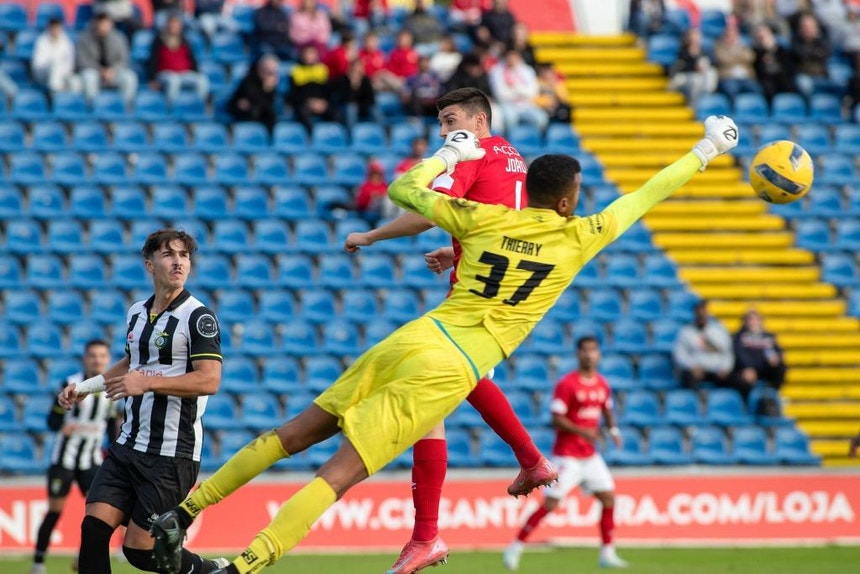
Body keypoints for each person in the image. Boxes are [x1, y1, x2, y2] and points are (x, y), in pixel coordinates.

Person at [148, 115, 740, 574]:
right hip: (451, 366)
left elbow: (405, 188)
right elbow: (646, 195)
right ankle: (244, 566)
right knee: (339, 473)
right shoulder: (582, 234)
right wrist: (706, 149)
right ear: (566, 201)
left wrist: (451, 152)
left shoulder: (482, 218)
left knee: (294, 432)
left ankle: (183, 511)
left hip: (415, 334)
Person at [345, 88, 550, 574]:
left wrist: (371, 235)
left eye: (450, 120)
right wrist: (458, 250)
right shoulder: (512, 156)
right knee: (435, 400)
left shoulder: (473, 152)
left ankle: (522, 464)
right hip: (506, 287)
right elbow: (501, 220)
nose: (443, 132)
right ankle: (428, 534)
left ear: (478, 121)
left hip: (477, 300)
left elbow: (424, 212)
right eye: (439, 122)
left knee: (446, 381)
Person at [57, 229, 227, 574]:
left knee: (140, 552)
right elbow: (131, 362)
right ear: (149, 264)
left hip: (171, 453)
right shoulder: (137, 312)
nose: (179, 262)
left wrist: (148, 382)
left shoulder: (198, 317)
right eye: (169, 255)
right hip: (128, 445)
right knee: (93, 530)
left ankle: (211, 571)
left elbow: (209, 380)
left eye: (184, 255)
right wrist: (85, 387)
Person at [503, 336, 628, 571]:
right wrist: (583, 432)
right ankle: (515, 546)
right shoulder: (567, 384)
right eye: (585, 350)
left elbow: (607, 410)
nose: (589, 354)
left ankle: (607, 553)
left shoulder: (602, 384)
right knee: (550, 504)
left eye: (593, 350)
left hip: (590, 456)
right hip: (567, 456)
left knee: (609, 499)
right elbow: (556, 418)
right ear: (578, 354)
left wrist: (613, 430)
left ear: (599, 354)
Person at [31, 340, 120, 574]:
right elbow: (52, 421)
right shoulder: (69, 384)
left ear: (108, 359)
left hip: (91, 461)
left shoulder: (111, 389)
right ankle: (38, 562)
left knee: (97, 512)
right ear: (85, 358)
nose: (97, 360)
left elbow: (112, 427)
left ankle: (82, 556)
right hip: (64, 459)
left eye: (102, 356)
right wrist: (63, 425)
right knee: (55, 511)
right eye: (93, 355)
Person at [74, 11, 138, 104]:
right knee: (89, 77)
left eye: (105, 24)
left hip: (113, 73)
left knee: (130, 77)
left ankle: (128, 107)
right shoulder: (84, 38)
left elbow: (123, 59)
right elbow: (82, 61)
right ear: (94, 24)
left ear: (110, 24)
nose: (102, 27)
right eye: (100, 24)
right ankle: (91, 107)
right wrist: (100, 70)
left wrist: (112, 70)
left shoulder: (118, 38)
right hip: (95, 72)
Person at [146, 13, 209, 103]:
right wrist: (152, 79)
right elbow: (152, 60)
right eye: (171, 25)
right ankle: (171, 106)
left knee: (201, 80)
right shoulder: (158, 40)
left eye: (176, 25)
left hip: (184, 74)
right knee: (174, 80)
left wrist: (197, 72)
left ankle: (198, 105)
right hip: (165, 74)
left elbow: (192, 60)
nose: (173, 27)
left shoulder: (185, 41)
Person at [672, 299, 734, 390]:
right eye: (699, 311)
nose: (701, 315)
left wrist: (725, 368)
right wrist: (692, 366)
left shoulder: (719, 330)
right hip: (696, 369)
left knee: (731, 380)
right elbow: (680, 355)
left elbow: (728, 352)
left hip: (716, 369)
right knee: (690, 377)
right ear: (695, 313)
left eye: (703, 311)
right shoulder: (686, 331)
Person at [729, 308, 787, 399]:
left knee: (781, 367)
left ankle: (772, 394)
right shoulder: (738, 337)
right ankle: (746, 402)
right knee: (743, 376)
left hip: (765, 369)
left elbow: (778, 351)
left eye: (756, 319)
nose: (753, 322)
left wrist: (776, 358)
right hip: (746, 369)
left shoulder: (769, 336)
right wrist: (750, 367)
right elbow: (739, 355)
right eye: (750, 319)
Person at [488, 48, 549, 130]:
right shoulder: (496, 71)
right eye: (509, 56)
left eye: (514, 56)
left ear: (518, 57)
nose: (511, 59)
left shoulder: (527, 70)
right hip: (507, 104)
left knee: (541, 119)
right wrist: (523, 90)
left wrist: (515, 88)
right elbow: (500, 94)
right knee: (509, 118)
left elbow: (533, 92)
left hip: (526, 105)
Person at [227, 55, 279, 131]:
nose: (270, 75)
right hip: (242, 111)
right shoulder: (249, 79)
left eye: (273, 72)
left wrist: (269, 90)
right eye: (268, 71)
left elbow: (269, 103)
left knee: (271, 116)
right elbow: (253, 99)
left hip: (260, 112)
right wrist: (266, 89)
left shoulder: (270, 83)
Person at [287, 45, 331, 133]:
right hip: (304, 104)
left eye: (311, 54)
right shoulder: (296, 70)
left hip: (320, 104)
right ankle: (311, 138)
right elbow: (293, 93)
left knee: (335, 114)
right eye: (307, 53)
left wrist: (323, 102)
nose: (309, 56)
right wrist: (308, 102)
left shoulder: (322, 70)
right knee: (303, 114)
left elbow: (327, 91)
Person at [713, 19, 761, 100]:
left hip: (746, 76)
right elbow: (722, 59)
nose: (730, 36)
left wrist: (733, 55)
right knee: (731, 91)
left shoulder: (743, 45)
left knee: (757, 90)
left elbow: (751, 57)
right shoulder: (719, 45)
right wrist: (739, 56)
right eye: (728, 34)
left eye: (733, 34)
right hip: (729, 77)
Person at [668, 28, 718, 104]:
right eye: (693, 36)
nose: (695, 38)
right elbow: (681, 66)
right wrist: (695, 67)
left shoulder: (703, 50)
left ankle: (708, 95)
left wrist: (702, 67)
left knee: (711, 72)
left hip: (699, 75)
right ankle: (692, 104)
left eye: (697, 36)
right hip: (685, 75)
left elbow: (711, 62)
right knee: (695, 81)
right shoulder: (683, 50)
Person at [752, 23, 798, 101]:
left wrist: (772, 49)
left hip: (780, 75)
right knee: (768, 89)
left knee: (790, 86)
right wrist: (764, 50)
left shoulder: (780, 48)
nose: (763, 37)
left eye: (765, 34)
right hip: (766, 77)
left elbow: (787, 63)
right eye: (760, 35)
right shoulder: (756, 50)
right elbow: (757, 65)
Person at [31, 16, 76, 95]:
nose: (55, 30)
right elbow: (38, 64)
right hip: (43, 74)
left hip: (62, 75)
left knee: (75, 83)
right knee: (55, 67)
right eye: (53, 28)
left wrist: (61, 72)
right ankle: (54, 96)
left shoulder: (66, 42)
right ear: (49, 28)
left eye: (57, 28)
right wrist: (53, 64)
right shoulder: (41, 41)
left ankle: (64, 99)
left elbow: (70, 64)